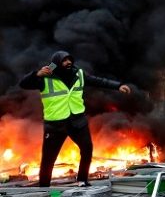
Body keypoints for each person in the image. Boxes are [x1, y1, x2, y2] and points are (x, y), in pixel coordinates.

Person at [19, 50, 131, 187]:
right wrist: (36, 74)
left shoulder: (78, 74)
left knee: (87, 148)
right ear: (56, 63)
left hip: (77, 121)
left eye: (69, 60)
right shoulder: (45, 76)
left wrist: (118, 86)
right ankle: (44, 187)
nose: (68, 62)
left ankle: (82, 180)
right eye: (64, 60)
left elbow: (98, 81)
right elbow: (23, 84)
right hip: (55, 124)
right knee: (48, 158)